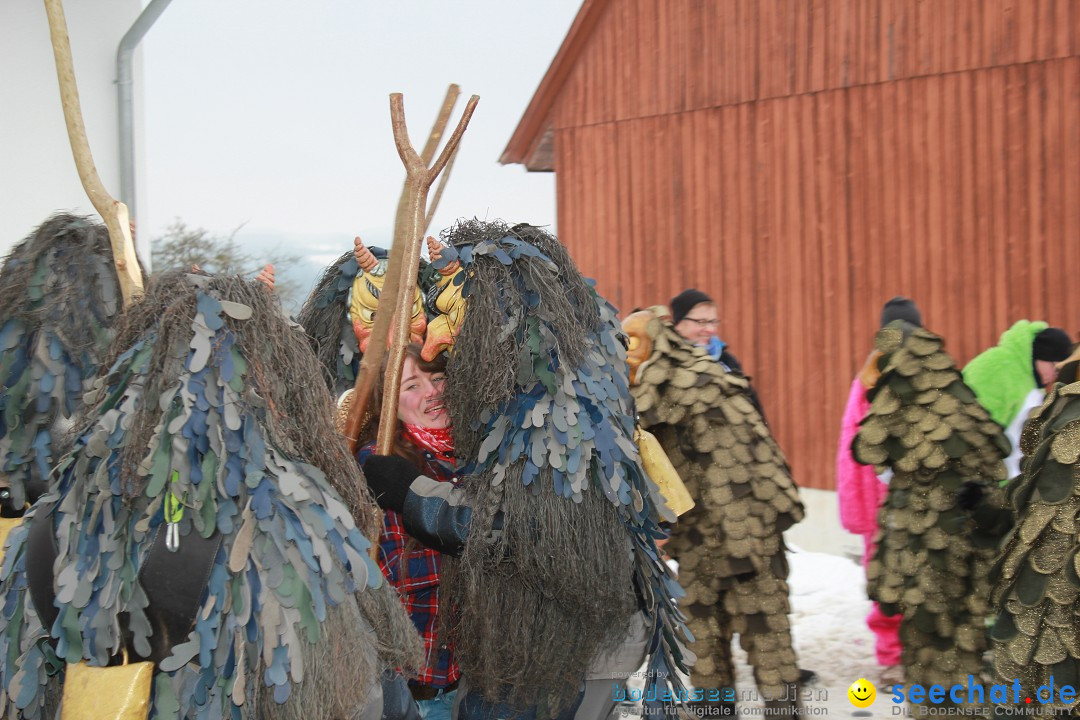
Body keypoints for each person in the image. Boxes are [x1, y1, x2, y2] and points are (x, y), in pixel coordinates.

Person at [623, 306, 805, 717]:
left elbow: (638, 441)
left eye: (632, 343)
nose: (626, 353)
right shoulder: (705, 371)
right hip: (714, 528)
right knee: (712, 638)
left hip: (740, 531)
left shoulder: (665, 381)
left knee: (759, 639)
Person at [852, 320, 1012, 696]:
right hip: (963, 541)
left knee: (932, 642)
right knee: (960, 637)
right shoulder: (960, 397)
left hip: (930, 546)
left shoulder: (900, 396)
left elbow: (866, 448)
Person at [355, 344, 461, 720]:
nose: (432, 392)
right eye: (412, 386)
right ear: (388, 406)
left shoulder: (471, 456)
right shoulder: (379, 466)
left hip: (468, 687)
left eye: (437, 378)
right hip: (414, 694)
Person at [835, 297, 917, 685]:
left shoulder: (930, 375)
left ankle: (919, 652)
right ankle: (891, 657)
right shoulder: (868, 380)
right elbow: (852, 449)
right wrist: (860, 510)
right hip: (882, 504)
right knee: (888, 585)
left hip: (921, 501)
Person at [962, 321, 1072, 478]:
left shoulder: (1033, 383)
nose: (1056, 376)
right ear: (1042, 356)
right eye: (1054, 367)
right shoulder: (998, 367)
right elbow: (972, 427)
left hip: (1011, 482)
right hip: (985, 481)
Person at [670, 288, 764, 418]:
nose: (709, 330)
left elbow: (754, 409)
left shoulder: (726, 361)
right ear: (679, 324)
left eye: (712, 322)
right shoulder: (667, 363)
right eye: (701, 322)